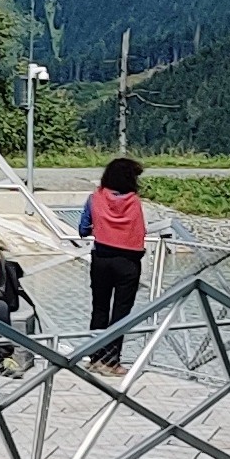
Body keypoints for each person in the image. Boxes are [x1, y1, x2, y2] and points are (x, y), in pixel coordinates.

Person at [75, 156, 151, 368]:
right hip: (128, 262)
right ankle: (112, 360)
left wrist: (99, 229)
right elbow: (140, 231)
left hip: (101, 260)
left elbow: (82, 229)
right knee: (121, 313)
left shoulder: (95, 198)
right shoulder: (134, 202)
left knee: (99, 308)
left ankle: (94, 357)